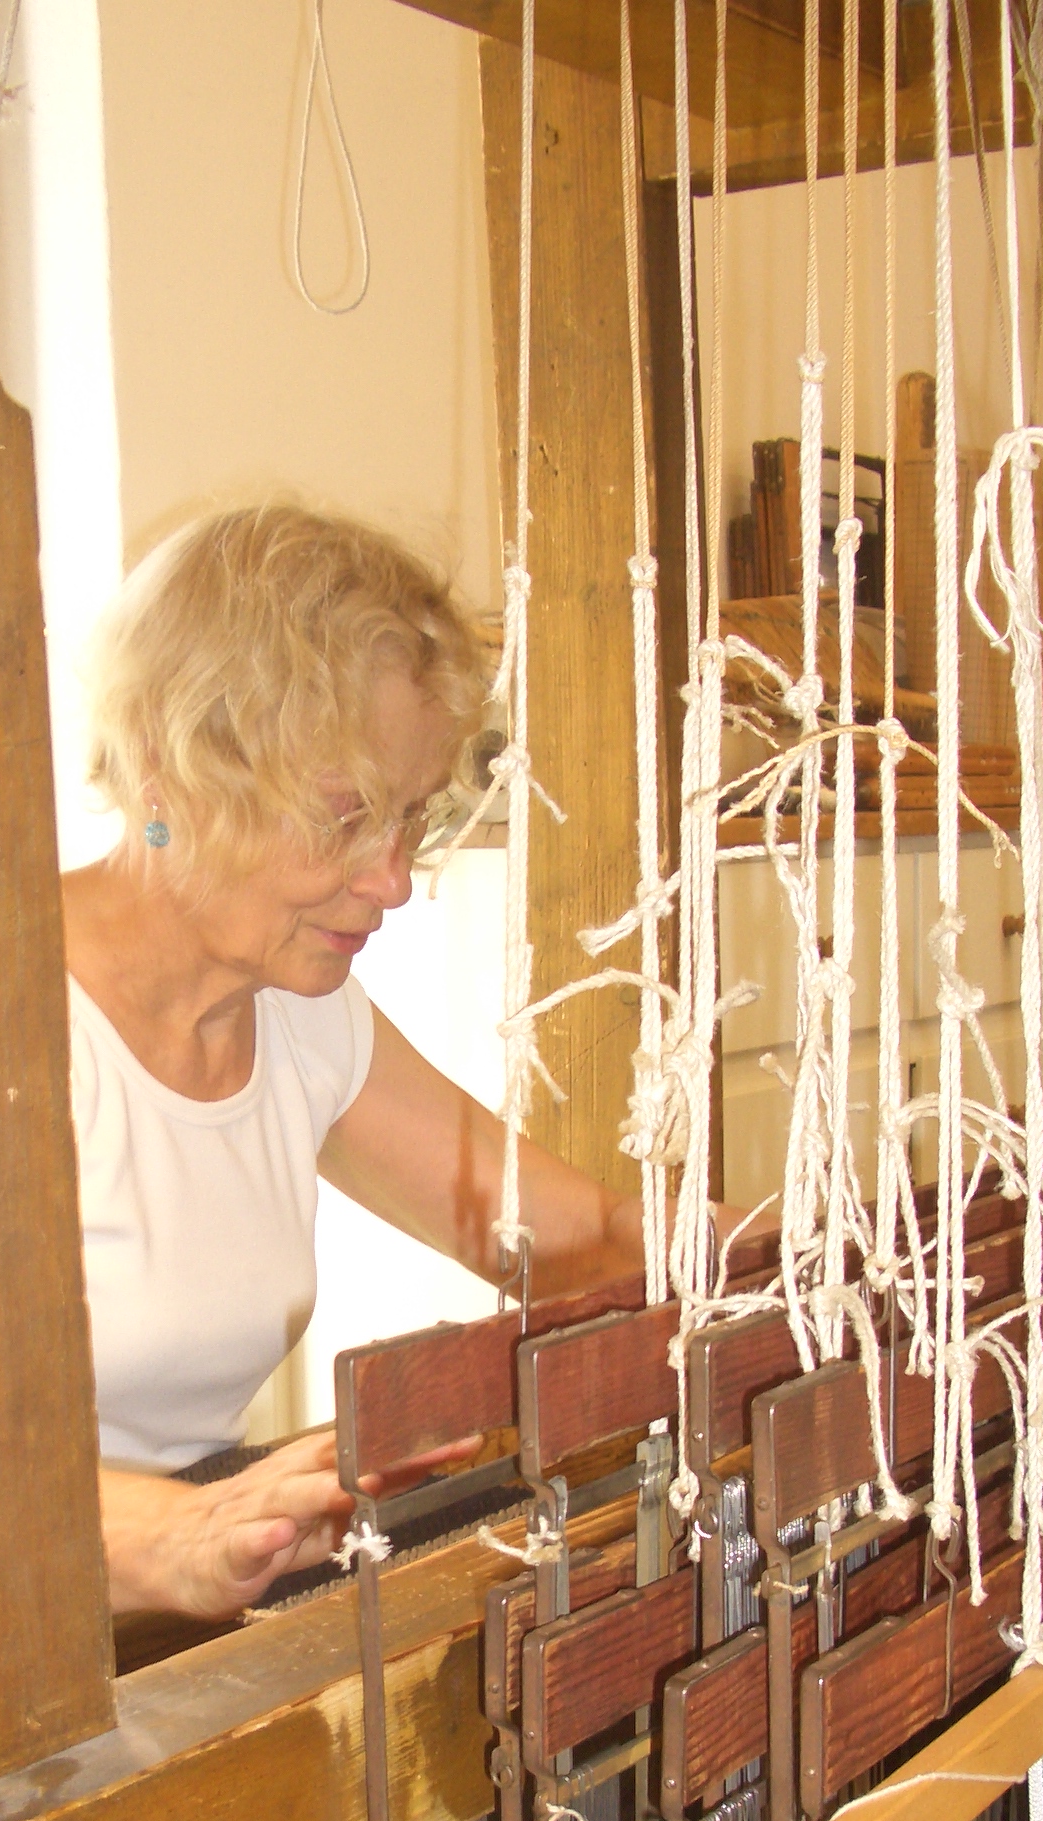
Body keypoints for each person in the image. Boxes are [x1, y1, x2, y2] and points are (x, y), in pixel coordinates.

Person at [63, 505, 650, 1623]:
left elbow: (576, 1243)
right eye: (345, 819)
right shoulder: (9, 1032)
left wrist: (789, 1264)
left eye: (413, 819)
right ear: (168, 767)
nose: (392, 880)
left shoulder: (300, 1018)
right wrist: (172, 1537)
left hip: (179, 1595)